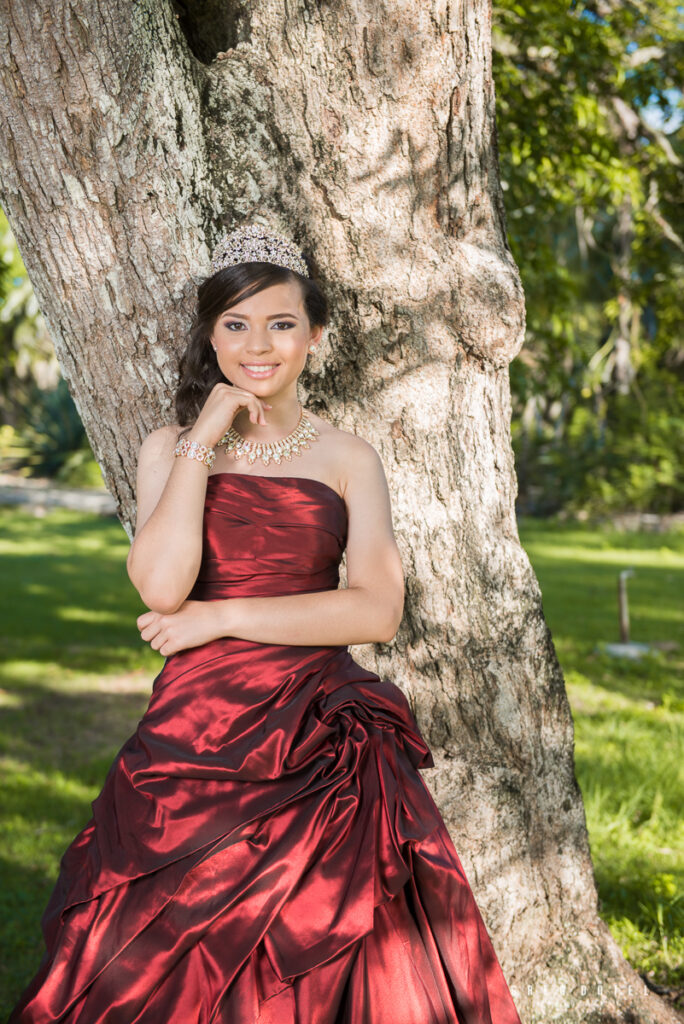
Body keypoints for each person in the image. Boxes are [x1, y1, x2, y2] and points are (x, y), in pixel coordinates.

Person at [8, 223, 523, 1024]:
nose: (259, 345)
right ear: (210, 336)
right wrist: (201, 443)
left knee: (333, 944)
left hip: (319, 730)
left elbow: (377, 610)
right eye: (236, 325)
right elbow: (162, 587)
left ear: (315, 334)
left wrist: (224, 617)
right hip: (195, 732)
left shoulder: (348, 456)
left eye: (281, 324)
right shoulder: (169, 448)